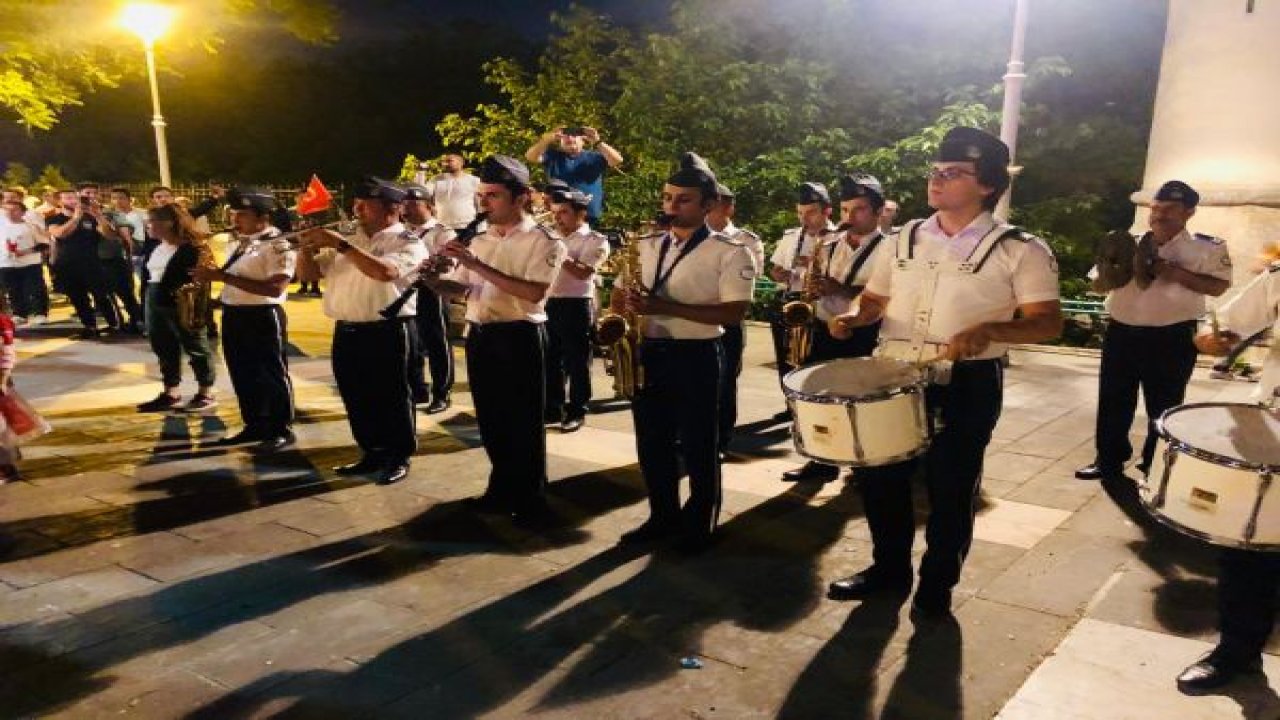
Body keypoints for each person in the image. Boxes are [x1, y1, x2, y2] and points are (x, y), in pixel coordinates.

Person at [826, 127, 1062, 617]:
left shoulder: (1020, 248)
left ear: (988, 186)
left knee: (951, 488)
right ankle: (889, 570)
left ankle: (937, 584)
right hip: (892, 373)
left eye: (954, 173)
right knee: (881, 480)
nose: (938, 180)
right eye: (935, 171)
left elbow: (1047, 322)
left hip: (967, 381)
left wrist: (990, 331)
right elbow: (875, 299)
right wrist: (856, 317)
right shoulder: (905, 237)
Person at [614, 153, 755, 553]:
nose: (671, 208)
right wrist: (618, 312)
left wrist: (665, 308)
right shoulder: (644, 244)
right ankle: (662, 516)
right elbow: (622, 293)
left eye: (683, 201)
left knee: (698, 444)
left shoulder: (731, 252)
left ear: (708, 206)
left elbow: (734, 313)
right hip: (649, 352)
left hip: (697, 355)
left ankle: (699, 523)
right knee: (652, 443)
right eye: (667, 198)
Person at [423, 155, 567, 524]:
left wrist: (474, 264)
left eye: (493, 196)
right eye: (482, 196)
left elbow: (534, 293)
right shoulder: (478, 238)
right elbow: (464, 289)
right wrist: (434, 280)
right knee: (491, 419)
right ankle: (501, 488)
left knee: (524, 421)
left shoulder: (545, 240)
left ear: (522, 198)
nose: (482, 203)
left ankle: (532, 496)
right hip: (481, 335)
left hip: (521, 336)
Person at [1075, 181, 1231, 481]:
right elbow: (1097, 283)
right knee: (1113, 401)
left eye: (1169, 209)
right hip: (1121, 334)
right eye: (1156, 208)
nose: (1159, 215)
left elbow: (1219, 286)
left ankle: (1154, 463)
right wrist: (1114, 272)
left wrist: (1176, 273)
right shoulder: (1127, 241)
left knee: (1165, 403)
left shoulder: (1206, 247)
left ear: (1189, 212)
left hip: (1171, 337)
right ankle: (1108, 461)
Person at [1180, 268, 1280, 692]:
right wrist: (1211, 337)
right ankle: (1236, 652)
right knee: (1248, 546)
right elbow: (1222, 323)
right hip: (1274, 425)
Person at [303, 177, 426, 486]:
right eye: (355, 203)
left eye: (365, 203)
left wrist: (341, 245)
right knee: (356, 395)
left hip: (388, 329)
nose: (356, 209)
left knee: (393, 396)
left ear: (393, 208)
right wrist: (305, 249)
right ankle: (371, 451)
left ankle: (398, 455)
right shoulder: (350, 238)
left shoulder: (408, 241)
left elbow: (384, 272)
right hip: (347, 328)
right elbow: (308, 274)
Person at [781, 173, 891, 483]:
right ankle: (822, 460)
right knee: (819, 397)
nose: (849, 217)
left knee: (862, 400)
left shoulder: (890, 249)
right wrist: (813, 289)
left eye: (858, 210)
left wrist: (838, 288)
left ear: (879, 212)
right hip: (823, 328)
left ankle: (863, 465)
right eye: (844, 210)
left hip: (865, 332)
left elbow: (881, 295)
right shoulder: (829, 245)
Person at [194, 188, 298, 452]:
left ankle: (280, 429)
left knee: (271, 374)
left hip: (263, 315)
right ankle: (254, 424)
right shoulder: (240, 242)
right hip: (235, 314)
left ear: (262, 217)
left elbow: (276, 288)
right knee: (242, 372)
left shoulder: (278, 243)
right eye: (234, 212)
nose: (235, 218)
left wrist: (222, 278)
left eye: (242, 214)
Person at [135, 203, 219, 413]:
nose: (148, 226)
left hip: (181, 303)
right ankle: (171, 392)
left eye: (152, 221)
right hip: (155, 300)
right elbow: (150, 276)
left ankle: (206, 392)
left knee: (195, 346)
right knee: (163, 346)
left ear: (169, 223)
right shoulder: (158, 246)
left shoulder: (192, 248)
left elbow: (198, 279)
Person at [768, 183, 839, 411]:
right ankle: (792, 407)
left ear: (827, 211)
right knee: (786, 359)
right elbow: (775, 269)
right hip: (792, 302)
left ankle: (814, 409)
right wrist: (780, 273)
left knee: (816, 363)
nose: (803, 219)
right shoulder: (791, 236)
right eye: (800, 213)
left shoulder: (839, 238)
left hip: (820, 306)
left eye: (810, 212)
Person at [544, 187, 609, 433]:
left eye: (564, 212)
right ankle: (553, 407)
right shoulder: (549, 235)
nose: (557, 217)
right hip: (548, 301)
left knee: (577, 361)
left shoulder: (595, 239)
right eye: (556, 212)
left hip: (576, 303)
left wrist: (560, 251)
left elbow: (583, 272)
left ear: (581, 214)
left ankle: (577, 409)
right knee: (550, 359)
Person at [705, 182, 762, 457]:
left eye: (712, 206)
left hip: (727, 319)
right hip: (696, 320)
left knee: (724, 381)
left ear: (728, 208)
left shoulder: (746, 240)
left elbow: (747, 281)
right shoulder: (695, 237)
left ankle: (721, 438)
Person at [400, 183, 456, 413]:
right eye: (405, 204)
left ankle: (442, 393)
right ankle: (418, 388)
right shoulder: (402, 231)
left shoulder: (442, 232)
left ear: (429, 207)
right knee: (411, 344)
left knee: (438, 343)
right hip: (406, 291)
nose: (408, 209)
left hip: (433, 291)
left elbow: (449, 265)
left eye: (414, 204)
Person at [47, 184, 122, 338]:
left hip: (92, 262)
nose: (73, 200)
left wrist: (99, 216)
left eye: (75, 197)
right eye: (68, 197)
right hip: (68, 265)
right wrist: (75, 217)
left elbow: (110, 235)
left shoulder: (90, 217)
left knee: (101, 295)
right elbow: (60, 234)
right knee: (78, 297)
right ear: (60, 201)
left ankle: (113, 324)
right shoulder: (55, 218)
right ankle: (89, 326)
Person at [525, 125, 624, 224]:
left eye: (575, 135)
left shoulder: (594, 158)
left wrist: (597, 141)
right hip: (560, 219)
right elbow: (530, 156)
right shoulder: (553, 156)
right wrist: (547, 140)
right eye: (565, 135)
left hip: (588, 219)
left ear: (583, 140)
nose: (570, 137)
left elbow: (617, 160)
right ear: (560, 141)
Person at [0, 198, 50, 326]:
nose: (10, 213)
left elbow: (44, 244)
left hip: (30, 263)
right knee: (13, 290)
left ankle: (39, 313)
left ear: (23, 212)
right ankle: (19, 313)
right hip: (7, 263)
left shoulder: (31, 227)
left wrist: (27, 251)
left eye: (15, 210)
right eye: (7, 210)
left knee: (34, 289)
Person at [100, 188, 144, 334]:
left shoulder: (116, 215)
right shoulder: (106, 214)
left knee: (126, 291)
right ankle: (117, 322)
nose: (117, 201)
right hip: (99, 260)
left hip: (122, 257)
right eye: (114, 198)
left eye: (121, 198)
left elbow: (123, 235)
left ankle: (137, 320)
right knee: (106, 293)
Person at [425, 153, 482, 230]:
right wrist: (431, 206)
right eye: (444, 162)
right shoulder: (436, 180)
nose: (446, 164)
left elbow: (480, 204)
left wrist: (480, 225)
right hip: (443, 227)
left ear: (461, 163)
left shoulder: (474, 180)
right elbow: (423, 194)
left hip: (467, 226)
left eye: (449, 161)